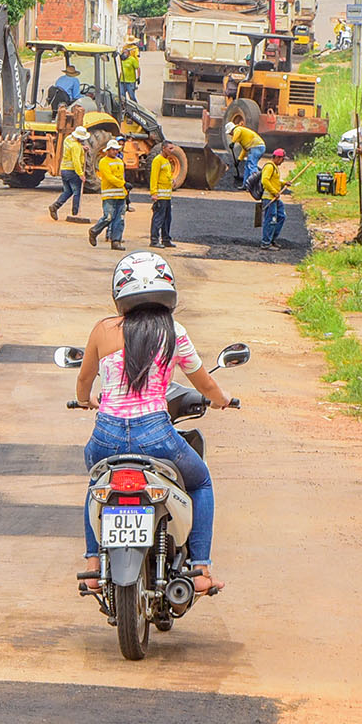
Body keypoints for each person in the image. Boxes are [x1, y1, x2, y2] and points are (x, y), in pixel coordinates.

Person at [74, 250, 235, 596]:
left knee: (96, 484)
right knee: (201, 481)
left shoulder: (103, 329)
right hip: (156, 437)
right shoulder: (174, 332)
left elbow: (85, 380)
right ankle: (200, 569)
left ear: (120, 293)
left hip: (106, 437)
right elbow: (204, 384)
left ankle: (91, 565)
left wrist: (88, 400)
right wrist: (222, 400)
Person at [87, 138, 130, 250]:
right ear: (108, 150)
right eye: (113, 150)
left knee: (119, 219)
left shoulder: (120, 162)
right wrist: (124, 184)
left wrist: (126, 193)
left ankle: (116, 241)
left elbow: (121, 177)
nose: (115, 152)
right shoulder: (103, 162)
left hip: (120, 195)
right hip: (109, 196)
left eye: (117, 150)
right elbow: (109, 177)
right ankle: (94, 230)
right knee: (108, 217)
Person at [49, 126, 90, 223]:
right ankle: (75, 213)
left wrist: (82, 148)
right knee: (77, 192)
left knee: (68, 191)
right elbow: (76, 161)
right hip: (73, 171)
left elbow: (72, 149)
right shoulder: (75, 146)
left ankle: (55, 206)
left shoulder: (68, 139)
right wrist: (80, 174)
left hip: (64, 170)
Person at [258, 148, 295, 249]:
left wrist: (284, 183)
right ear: (277, 158)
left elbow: (275, 180)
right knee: (271, 220)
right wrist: (274, 192)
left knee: (281, 216)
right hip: (269, 198)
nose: (283, 162)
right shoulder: (269, 167)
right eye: (282, 159)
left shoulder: (275, 167)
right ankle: (266, 243)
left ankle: (272, 239)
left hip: (275, 198)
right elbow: (265, 181)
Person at [148, 147, 177, 248]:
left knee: (167, 218)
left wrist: (171, 180)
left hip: (167, 196)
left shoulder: (166, 161)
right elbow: (154, 177)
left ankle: (166, 239)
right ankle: (154, 240)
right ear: (164, 148)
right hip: (160, 196)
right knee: (158, 218)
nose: (172, 150)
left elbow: (166, 175)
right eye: (170, 148)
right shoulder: (157, 160)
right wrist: (154, 193)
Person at [225, 121, 265, 188]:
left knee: (251, 165)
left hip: (257, 146)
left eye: (230, 133)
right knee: (247, 166)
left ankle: (257, 184)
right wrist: (239, 160)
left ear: (231, 130)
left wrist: (233, 142)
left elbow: (237, 132)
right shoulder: (242, 139)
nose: (230, 135)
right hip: (256, 147)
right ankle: (245, 185)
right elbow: (244, 150)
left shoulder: (238, 129)